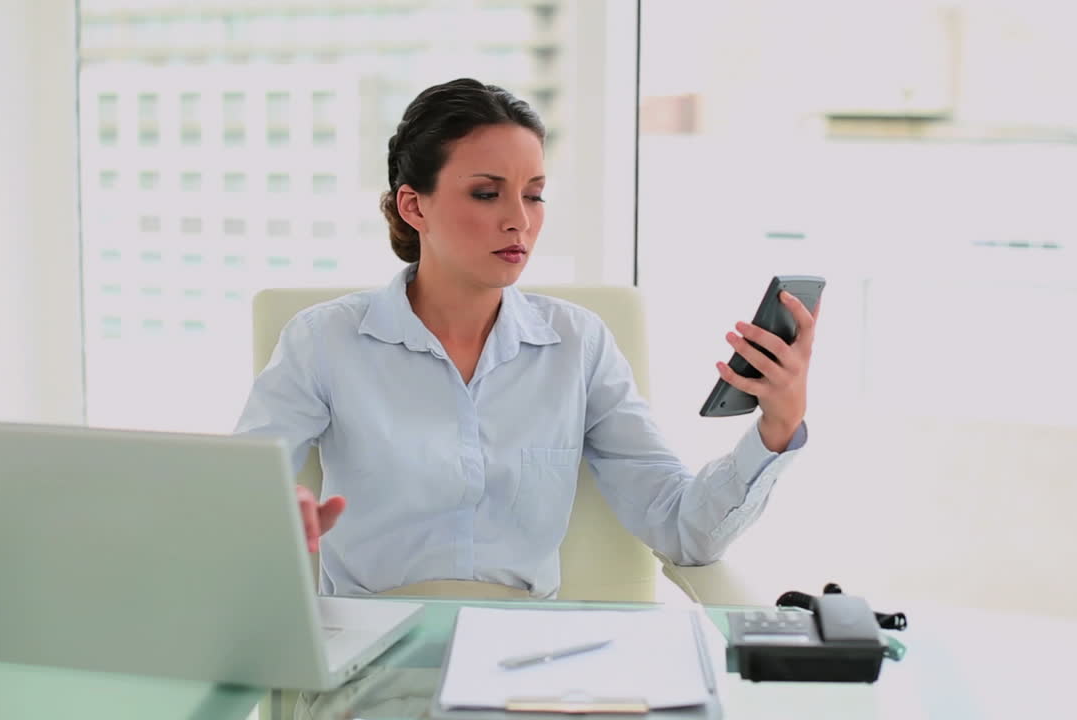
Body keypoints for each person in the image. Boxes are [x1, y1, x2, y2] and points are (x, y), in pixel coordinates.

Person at [235, 78, 818, 599]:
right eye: (487, 193)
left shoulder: (579, 345)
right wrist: (268, 515)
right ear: (414, 205)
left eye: (534, 193)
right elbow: (236, 497)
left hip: (527, 656)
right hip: (373, 657)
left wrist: (776, 428)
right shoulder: (323, 340)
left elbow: (683, 529)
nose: (520, 219)